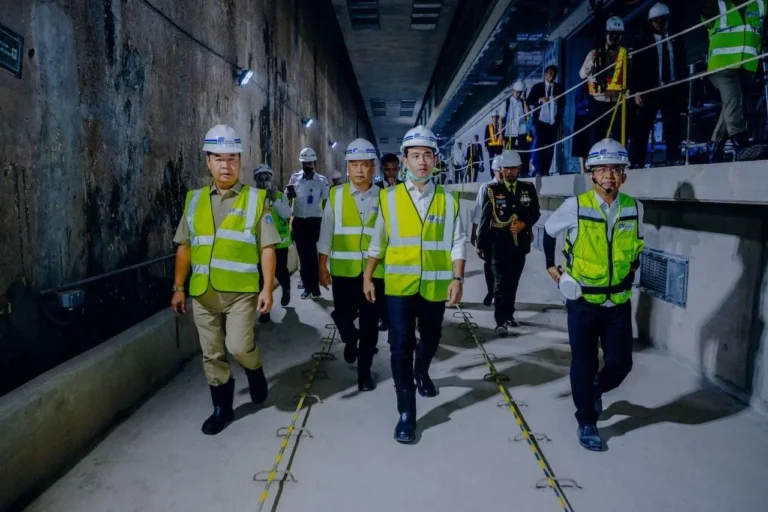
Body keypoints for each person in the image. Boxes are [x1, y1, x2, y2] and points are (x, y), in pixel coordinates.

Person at [170, 125, 278, 435]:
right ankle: (222, 408)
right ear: (208, 161)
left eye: (231, 158)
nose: (225, 165)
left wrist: (268, 288)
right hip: (203, 293)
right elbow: (184, 247)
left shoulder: (256, 200)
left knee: (239, 345)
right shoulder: (194, 200)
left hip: (241, 293)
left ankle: (254, 370)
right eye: (218, 158)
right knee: (212, 352)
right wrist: (178, 288)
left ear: (240, 161)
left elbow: (267, 248)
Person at [363, 126, 466, 444]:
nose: (422, 161)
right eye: (416, 155)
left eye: (428, 155)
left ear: (435, 160)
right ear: (405, 161)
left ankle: (422, 371)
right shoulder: (388, 199)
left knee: (432, 338)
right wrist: (368, 276)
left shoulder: (449, 200)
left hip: (435, 286)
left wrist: (457, 278)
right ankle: (406, 412)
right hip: (398, 286)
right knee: (400, 345)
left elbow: (457, 242)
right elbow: (378, 242)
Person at [542, 138, 645, 452]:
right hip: (583, 301)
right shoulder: (576, 205)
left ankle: (593, 389)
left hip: (618, 302)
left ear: (624, 175)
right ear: (592, 175)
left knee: (621, 364)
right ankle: (586, 420)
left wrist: (628, 274)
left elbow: (636, 247)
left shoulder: (633, 207)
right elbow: (548, 231)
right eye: (603, 169)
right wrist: (552, 267)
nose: (610, 175)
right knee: (583, 362)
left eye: (616, 169)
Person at [318, 139, 382, 391]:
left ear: (372, 168)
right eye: (354, 164)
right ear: (347, 167)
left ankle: (364, 373)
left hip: (375, 274)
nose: (358, 170)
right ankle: (349, 338)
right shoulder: (336, 195)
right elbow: (326, 232)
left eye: (364, 165)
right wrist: (322, 266)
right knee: (342, 316)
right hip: (343, 272)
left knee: (369, 323)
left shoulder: (385, 197)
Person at [477, 149, 540, 335]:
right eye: (506, 169)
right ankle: (501, 320)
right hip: (498, 244)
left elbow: (535, 212)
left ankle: (509, 314)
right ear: (501, 170)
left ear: (519, 168)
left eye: (513, 168)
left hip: (520, 244)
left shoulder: (528, 188)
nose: (510, 172)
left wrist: (524, 224)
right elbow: (485, 217)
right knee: (501, 284)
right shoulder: (493, 190)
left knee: (513, 282)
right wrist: (481, 244)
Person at [702, 0, 765, 162]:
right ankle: (740, 144)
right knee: (734, 99)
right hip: (722, 65)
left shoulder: (759, 3)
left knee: (732, 104)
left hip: (745, 67)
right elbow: (706, 14)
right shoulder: (718, 4)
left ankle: (714, 147)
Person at [629, 2, 688, 168]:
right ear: (651, 23)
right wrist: (636, 92)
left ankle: (673, 158)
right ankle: (636, 162)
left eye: (663, 20)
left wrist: (683, 91)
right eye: (656, 21)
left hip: (671, 89)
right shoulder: (642, 42)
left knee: (673, 125)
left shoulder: (676, 40)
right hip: (650, 90)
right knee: (642, 127)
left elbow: (681, 65)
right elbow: (635, 70)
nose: (660, 24)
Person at [286, 148, 329, 299]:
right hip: (299, 222)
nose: (308, 165)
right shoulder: (295, 178)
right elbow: (288, 198)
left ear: (315, 163)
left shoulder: (322, 181)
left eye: (311, 163)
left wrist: (326, 224)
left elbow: (325, 203)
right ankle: (308, 287)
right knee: (303, 257)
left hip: (314, 222)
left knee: (312, 256)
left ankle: (315, 287)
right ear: (302, 163)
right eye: (305, 163)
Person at [254, 164, 293, 323]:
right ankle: (265, 312)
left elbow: (286, 213)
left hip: (279, 243)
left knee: (280, 271)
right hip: (261, 244)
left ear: (272, 178)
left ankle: (286, 287)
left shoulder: (280, 195)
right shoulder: (253, 197)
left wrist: (274, 200)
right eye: (260, 179)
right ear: (256, 181)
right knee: (262, 278)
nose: (264, 181)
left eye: (267, 178)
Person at [580, 16, 628, 144]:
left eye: (618, 35)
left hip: (617, 101)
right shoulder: (594, 53)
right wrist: (592, 62)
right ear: (606, 34)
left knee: (619, 136)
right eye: (612, 34)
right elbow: (582, 74)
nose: (615, 38)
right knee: (597, 137)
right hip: (598, 101)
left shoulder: (624, 53)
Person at [470, 155, 502, 307]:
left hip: (508, 235)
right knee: (489, 264)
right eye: (498, 171)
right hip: (489, 233)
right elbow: (478, 211)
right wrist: (474, 232)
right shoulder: (486, 187)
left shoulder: (515, 187)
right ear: (494, 171)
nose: (501, 173)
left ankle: (500, 296)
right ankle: (491, 291)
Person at [528, 65, 564, 175]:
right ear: (545, 74)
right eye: (549, 74)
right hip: (540, 122)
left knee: (550, 147)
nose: (551, 76)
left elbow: (564, 103)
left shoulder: (559, 88)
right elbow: (529, 100)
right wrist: (539, 100)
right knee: (539, 145)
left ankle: (546, 170)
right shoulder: (537, 87)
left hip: (552, 123)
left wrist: (558, 101)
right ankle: (539, 169)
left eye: (553, 74)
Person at [505, 81, 532, 176]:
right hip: (510, 132)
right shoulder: (507, 102)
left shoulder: (523, 102)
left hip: (522, 130)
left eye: (521, 92)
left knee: (524, 152)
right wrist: (500, 134)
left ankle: (524, 172)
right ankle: (510, 172)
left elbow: (528, 114)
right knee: (509, 153)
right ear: (513, 91)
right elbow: (501, 117)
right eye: (517, 92)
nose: (519, 94)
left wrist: (524, 100)